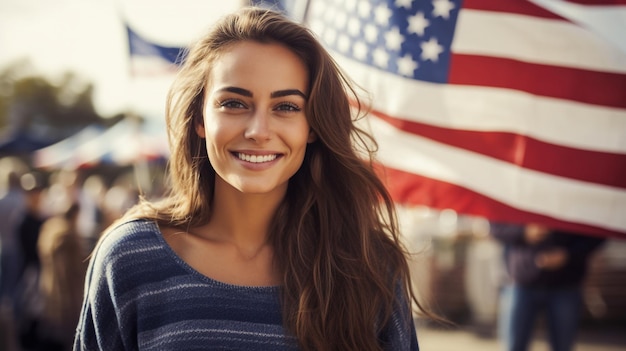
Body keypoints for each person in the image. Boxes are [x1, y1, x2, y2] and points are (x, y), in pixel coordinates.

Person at [74, 7, 426, 351]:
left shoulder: (367, 264)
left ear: (313, 127)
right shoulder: (130, 258)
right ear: (200, 119)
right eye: (234, 104)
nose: (259, 131)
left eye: (286, 107)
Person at [490, 222, 606, 351]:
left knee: (562, 346)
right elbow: (495, 227)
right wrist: (524, 232)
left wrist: (569, 254)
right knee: (514, 346)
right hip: (521, 282)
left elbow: (598, 233)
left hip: (566, 284)